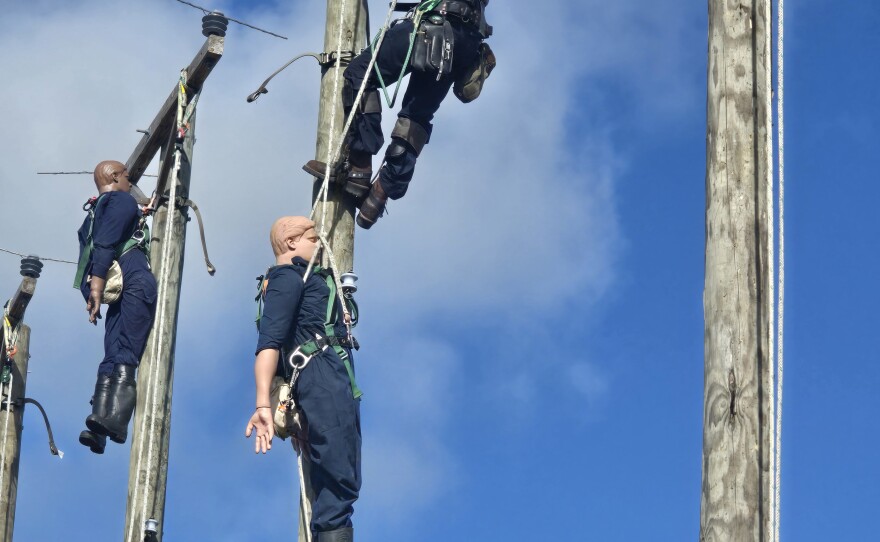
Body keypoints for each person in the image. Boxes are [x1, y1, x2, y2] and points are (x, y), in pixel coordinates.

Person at [304, 0, 493, 229]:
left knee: (360, 74)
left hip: (437, 23)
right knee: (417, 115)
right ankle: (380, 193)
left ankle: (358, 168)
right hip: (466, 40)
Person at [246, 216, 361, 542]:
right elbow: (270, 341)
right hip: (320, 374)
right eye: (314, 239)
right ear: (291, 242)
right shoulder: (286, 276)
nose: (321, 246)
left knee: (343, 470)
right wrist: (264, 403)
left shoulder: (304, 278)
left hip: (330, 374)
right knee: (339, 475)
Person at [75, 160, 157, 455]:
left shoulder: (95, 211)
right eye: (126, 177)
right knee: (124, 352)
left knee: (114, 349)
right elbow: (106, 243)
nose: (129, 182)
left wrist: (94, 289)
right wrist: (97, 287)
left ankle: (102, 425)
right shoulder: (121, 201)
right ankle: (114, 423)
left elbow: (97, 247)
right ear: (114, 177)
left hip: (116, 285)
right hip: (132, 279)